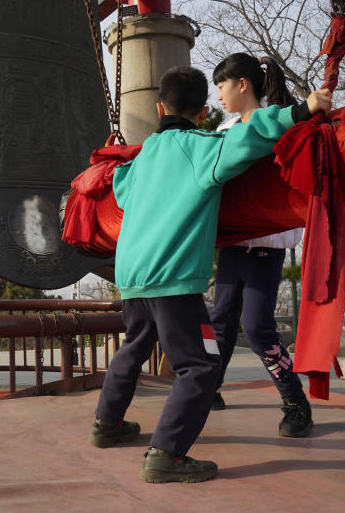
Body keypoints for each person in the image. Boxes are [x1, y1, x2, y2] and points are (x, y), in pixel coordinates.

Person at [88, 65, 331, 484]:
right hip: (173, 280)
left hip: (132, 279)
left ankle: (106, 424)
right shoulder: (201, 148)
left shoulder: (143, 157)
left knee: (135, 344)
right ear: (202, 112)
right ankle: (167, 453)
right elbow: (250, 136)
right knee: (202, 364)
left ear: (160, 106)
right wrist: (302, 110)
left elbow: (121, 189)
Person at [209, 53, 312, 437]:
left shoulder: (280, 125)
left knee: (256, 326)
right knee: (219, 320)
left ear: (242, 84)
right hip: (234, 242)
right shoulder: (224, 132)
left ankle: (295, 401)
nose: (218, 94)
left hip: (267, 242)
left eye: (221, 85)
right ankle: (208, 389)